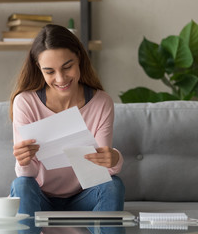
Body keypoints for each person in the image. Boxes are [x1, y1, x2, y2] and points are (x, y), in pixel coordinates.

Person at [9, 24, 125, 216]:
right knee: (21, 185)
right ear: (39, 69)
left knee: (114, 186)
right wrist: (23, 161)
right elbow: (27, 175)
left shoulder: (101, 102)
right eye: (50, 71)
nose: (61, 79)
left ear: (79, 58)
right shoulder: (25, 103)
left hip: (84, 197)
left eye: (67, 67)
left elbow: (103, 173)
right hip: (40, 197)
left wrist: (115, 158)